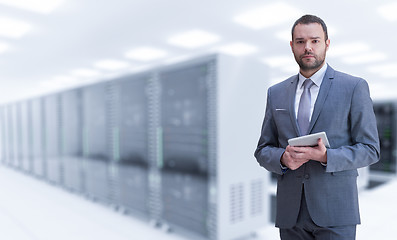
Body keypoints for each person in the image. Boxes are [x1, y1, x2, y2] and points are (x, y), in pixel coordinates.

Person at [254, 14, 380, 240]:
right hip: (291, 213)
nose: (307, 48)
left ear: (327, 44)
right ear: (292, 46)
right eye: (300, 42)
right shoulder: (276, 93)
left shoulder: (353, 87)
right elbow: (263, 150)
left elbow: (371, 149)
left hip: (336, 212)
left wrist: (325, 157)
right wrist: (282, 158)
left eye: (315, 40)